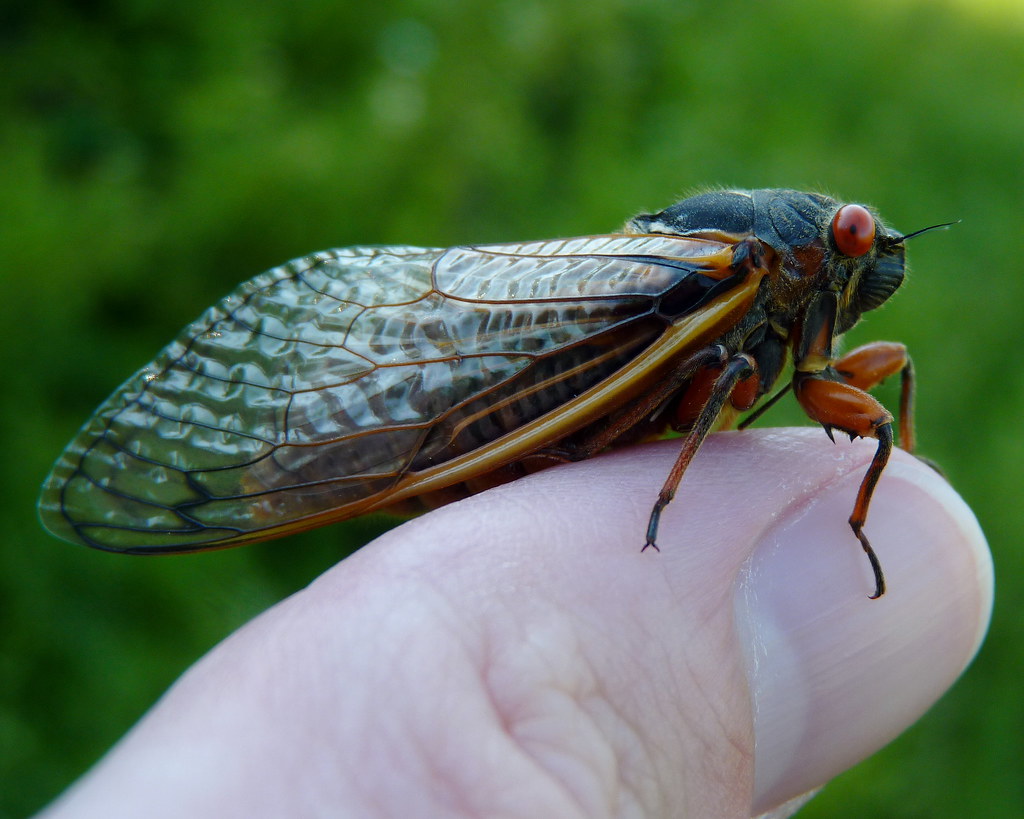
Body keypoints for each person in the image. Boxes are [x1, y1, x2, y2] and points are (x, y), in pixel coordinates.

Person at [38, 429, 992, 819]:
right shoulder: (745, 288)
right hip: (618, 353)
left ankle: (883, 501)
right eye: (856, 247)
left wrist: (887, 475)